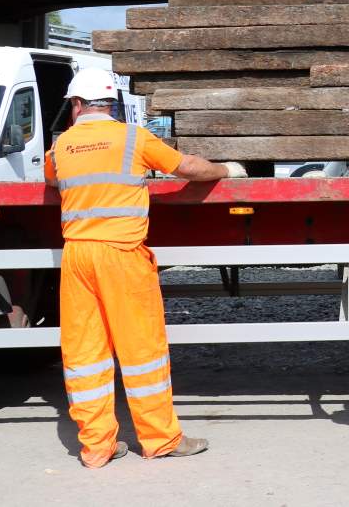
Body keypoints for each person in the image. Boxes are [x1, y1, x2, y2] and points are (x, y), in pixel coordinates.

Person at [44, 67, 241, 469]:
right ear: (111, 105)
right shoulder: (132, 137)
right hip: (121, 254)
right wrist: (226, 170)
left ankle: (97, 447)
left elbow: (51, 180)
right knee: (141, 350)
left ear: (76, 106)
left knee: (85, 352)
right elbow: (188, 168)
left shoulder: (61, 147)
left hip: (77, 254)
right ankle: (161, 439)